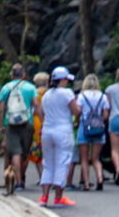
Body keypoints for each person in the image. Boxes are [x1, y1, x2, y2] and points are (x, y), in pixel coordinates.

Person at [39, 66, 81, 208]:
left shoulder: (46, 95)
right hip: (63, 130)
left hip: (47, 130)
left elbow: (42, 113)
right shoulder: (67, 93)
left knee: (48, 163)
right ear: (62, 80)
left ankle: (44, 197)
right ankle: (58, 198)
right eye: (66, 80)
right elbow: (76, 111)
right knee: (62, 162)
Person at [0, 63, 39, 191]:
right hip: (27, 123)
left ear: (11, 75)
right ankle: (22, 176)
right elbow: (36, 106)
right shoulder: (31, 88)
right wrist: (43, 121)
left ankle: (19, 182)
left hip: (10, 124)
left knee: (15, 152)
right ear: (24, 75)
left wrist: (0, 125)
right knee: (25, 154)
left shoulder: (6, 88)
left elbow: (1, 109)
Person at [75, 74, 110, 191]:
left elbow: (78, 111)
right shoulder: (103, 97)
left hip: (84, 127)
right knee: (95, 158)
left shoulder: (81, 96)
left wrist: (77, 120)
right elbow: (105, 116)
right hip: (98, 128)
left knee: (84, 159)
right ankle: (100, 178)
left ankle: (86, 183)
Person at [25, 71, 49, 185]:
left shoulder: (34, 94)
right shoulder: (49, 93)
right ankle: (48, 176)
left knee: (36, 150)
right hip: (48, 120)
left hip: (36, 122)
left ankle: (41, 176)